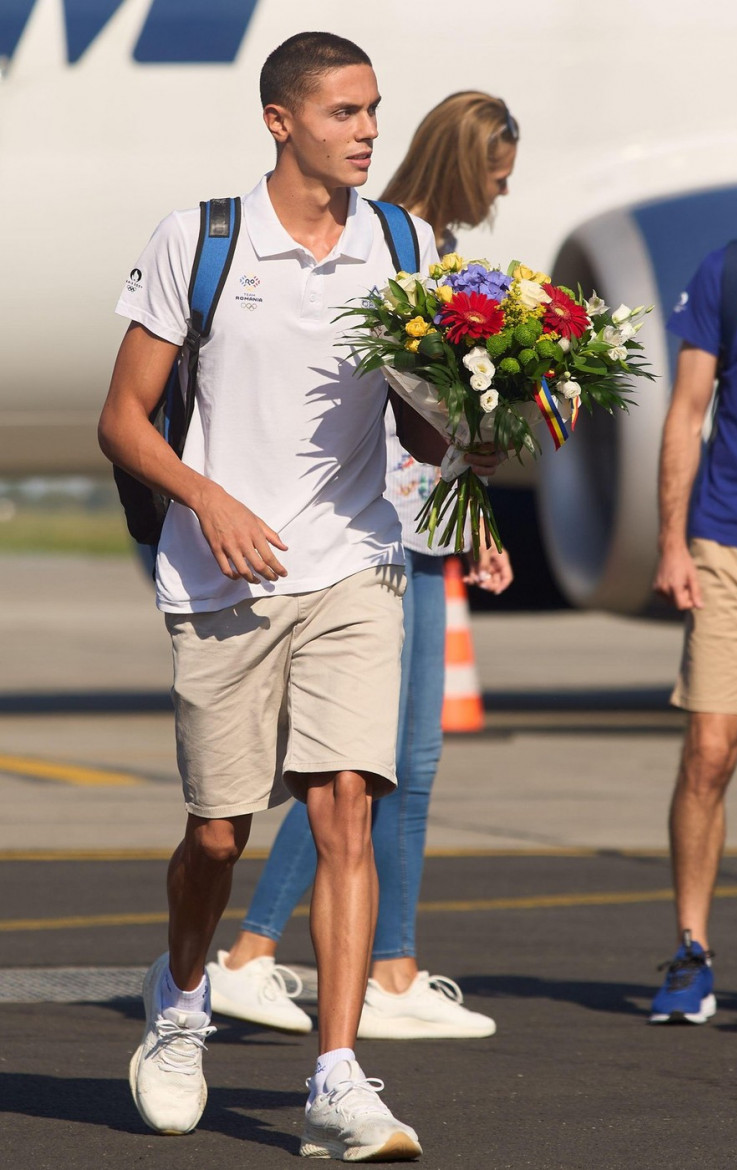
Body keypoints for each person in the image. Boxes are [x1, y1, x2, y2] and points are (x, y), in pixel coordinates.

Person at [98, 33, 500, 1160]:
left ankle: (336, 1076)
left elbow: (425, 422)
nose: (368, 130)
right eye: (343, 113)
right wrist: (207, 501)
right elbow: (122, 419)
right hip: (220, 574)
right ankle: (179, 1008)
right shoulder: (203, 237)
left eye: (374, 110)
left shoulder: (404, 240)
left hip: (355, 564)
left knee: (344, 812)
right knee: (220, 836)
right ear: (281, 122)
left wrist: (489, 418)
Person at [206, 92, 517, 1040]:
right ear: (466, 161)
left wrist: (480, 508)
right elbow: (407, 407)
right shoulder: (409, 247)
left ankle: (382, 963)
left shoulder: (419, 239)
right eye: (498, 168)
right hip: (389, 528)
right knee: (371, 766)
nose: (507, 186)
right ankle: (265, 953)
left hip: (420, 522)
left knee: (387, 765)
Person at [650, 156, 737, 1024]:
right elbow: (687, 410)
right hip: (729, 542)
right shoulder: (732, 271)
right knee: (709, 754)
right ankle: (691, 950)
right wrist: (672, 541)